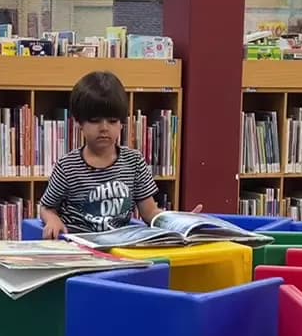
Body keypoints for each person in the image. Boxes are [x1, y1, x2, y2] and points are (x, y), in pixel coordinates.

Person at [39, 70, 201, 239]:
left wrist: (181, 222)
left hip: (120, 246)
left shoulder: (134, 162)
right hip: (79, 246)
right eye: (95, 120)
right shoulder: (67, 166)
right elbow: (46, 206)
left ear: (122, 124)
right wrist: (53, 220)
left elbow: (150, 212)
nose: (104, 128)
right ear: (80, 123)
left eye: (112, 121)